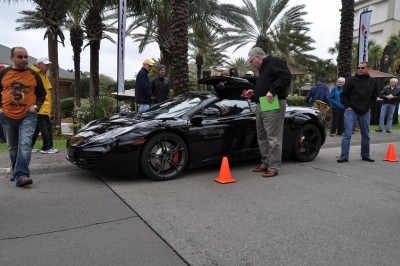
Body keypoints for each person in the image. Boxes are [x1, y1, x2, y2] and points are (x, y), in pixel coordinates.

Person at [0, 47, 46, 187]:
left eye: (26, 56)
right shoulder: (4, 73)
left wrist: (36, 107)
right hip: (7, 115)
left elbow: (42, 93)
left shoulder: (33, 74)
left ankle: (21, 175)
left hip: (28, 115)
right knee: (13, 147)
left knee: (25, 145)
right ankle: (16, 172)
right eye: (20, 57)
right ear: (12, 58)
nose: (24, 59)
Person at [243, 47, 292, 177]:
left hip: (273, 102)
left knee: (273, 136)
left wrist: (273, 90)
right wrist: (254, 93)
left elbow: (286, 76)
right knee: (262, 135)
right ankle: (265, 163)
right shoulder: (263, 68)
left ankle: (274, 167)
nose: (251, 63)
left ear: (258, 57)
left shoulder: (274, 61)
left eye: (252, 60)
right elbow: (265, 85)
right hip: (262, 102)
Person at [337, 62, 378, 163]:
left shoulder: (373, 81)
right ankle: (344, 156)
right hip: (351, 111)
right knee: (347, 134)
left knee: (366, 135)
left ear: (368, 69)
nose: (360, 69)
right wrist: (348, 106)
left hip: (365, 112)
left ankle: (365, 155)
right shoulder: (351, 80)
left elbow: (374, 96)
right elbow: (343, 95)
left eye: (362, 67)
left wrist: (370, 107)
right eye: (358, 67)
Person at [31, 57, 59, 154]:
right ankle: (47, 147)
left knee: (36, 128)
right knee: (46, 127)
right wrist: (38, 106)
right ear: (39, 64)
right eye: (46, 65)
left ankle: (29, 146)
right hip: (41, 107)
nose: (48, 67)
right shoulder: (35, 74)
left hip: (42, 107)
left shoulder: (43, 74)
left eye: (48, 65)